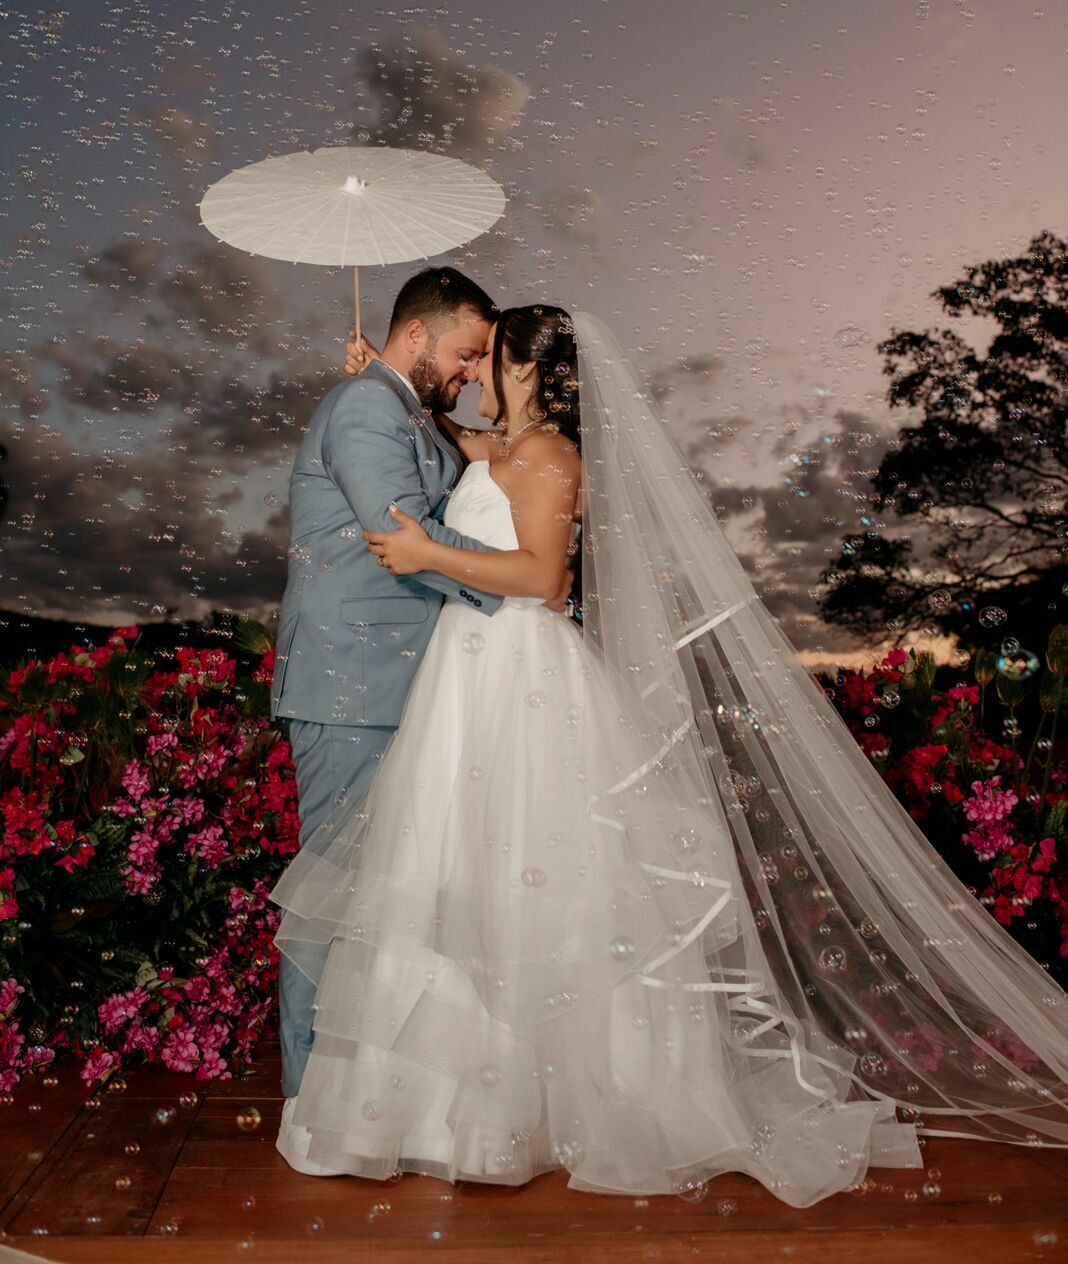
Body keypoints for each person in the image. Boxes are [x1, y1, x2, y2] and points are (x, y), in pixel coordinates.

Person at [270, 306, 1068, 1204]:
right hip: (465, 676)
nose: (473, 374)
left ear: (526, 367)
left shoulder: (552, 458)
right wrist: (382, 371)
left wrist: (421, 548)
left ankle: (529, 1106)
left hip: (517, 672)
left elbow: (545, 578)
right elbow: (449, 430)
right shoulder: (503, 448)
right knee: (456, 873)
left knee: (533, 874)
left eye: (488, 358)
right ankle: (441, 1102)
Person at [271, 268, 567, 1175]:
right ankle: (314, 1101)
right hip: (355, 689)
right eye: (465, 351)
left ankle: (377, 1099)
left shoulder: (390, 407)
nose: (474, 369)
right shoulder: (366, 409)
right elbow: (402, 533)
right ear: (417, 336)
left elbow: (454, 457)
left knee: (392, 898)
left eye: (486, 357)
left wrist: (408, 400)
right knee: (334, 896)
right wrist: (525, 581)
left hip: (413, 690)